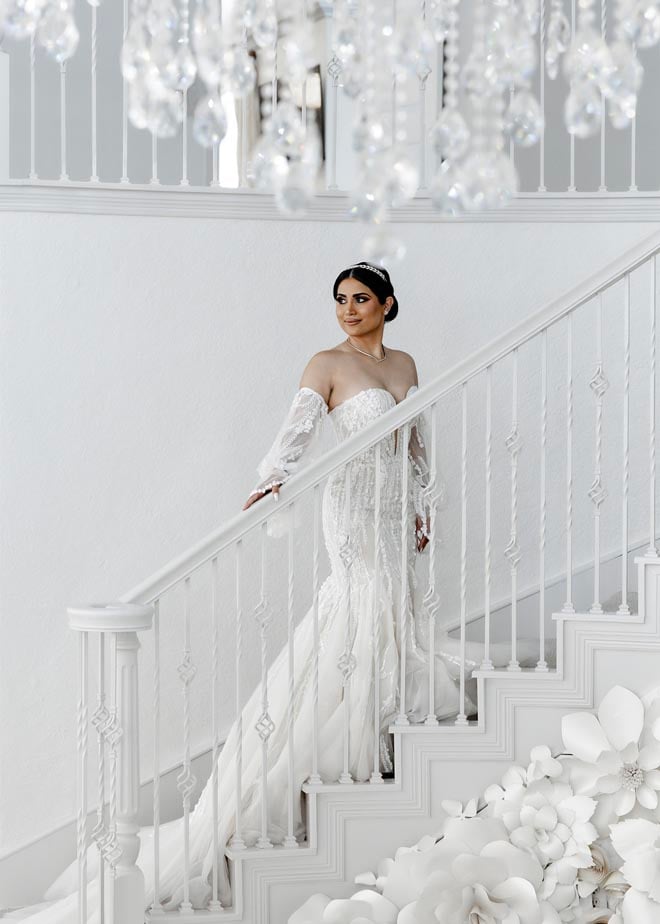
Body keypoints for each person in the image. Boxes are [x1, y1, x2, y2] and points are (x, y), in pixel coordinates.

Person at [6, 262, 540, 921]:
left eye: (361, 298)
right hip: (349, 511)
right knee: (361, 606)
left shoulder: (405, 364)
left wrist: (425, 506)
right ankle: (342, 744)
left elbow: (416, 442)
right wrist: (272, 480)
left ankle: (384, 720)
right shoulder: (327, 363)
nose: (348, 309)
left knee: (393, 613)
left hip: (393, 505)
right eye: (340, 299)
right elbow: (295, 433)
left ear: (388, 303)